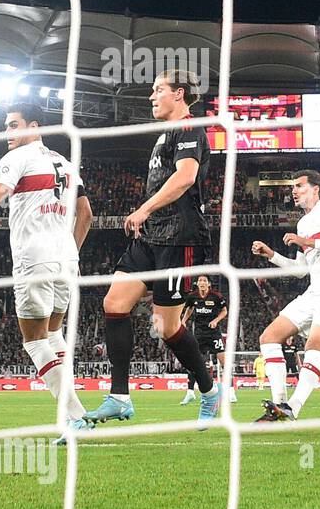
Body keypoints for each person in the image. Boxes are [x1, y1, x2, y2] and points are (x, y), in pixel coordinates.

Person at [84, 71, 220, 428]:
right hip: (152, 236)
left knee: (166, 327)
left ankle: (208, 390)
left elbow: (186, 176)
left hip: (181, 239)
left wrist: (144, 208)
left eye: (158, 90)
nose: (151, 97)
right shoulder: (166, 134)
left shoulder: (191, 128)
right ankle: (119, 397)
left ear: (179, 94)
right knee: (114, 304)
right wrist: (148, 215)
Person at [0, 104, 94, 439]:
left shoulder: (15, 159)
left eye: (13, 125)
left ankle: (75, 415)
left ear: (33, 125)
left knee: (33, 340)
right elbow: (86, 214)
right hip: (66, 260)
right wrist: (70, 251)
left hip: (34, 258)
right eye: (5, 126)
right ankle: (74, 415)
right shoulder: (64, 162)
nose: (8, 133)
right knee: (53, 334)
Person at [251, 169, 320, 421]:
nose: (294, 191)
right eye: (293, 187)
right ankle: (278, 405)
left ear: (315, 189)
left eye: (299, 186)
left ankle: (293, 407)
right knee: (269, 337)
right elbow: (300, 271)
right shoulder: (303, 223)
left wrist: (307, 242)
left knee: (314, 344)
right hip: (315, 290)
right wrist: (271, 255)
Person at [180, 274, 235, 405]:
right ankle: (190, 393)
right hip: (199, 334)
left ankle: (231, 391)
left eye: (204, 280)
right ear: (197, 284)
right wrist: (183, 321)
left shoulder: (216, 296)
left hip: (214, 334)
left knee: (224, 362)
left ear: (209, 284)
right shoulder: (192, 297)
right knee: (193, 361)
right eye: (200, 280)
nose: (202, 282)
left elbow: (224, 311)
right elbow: (189, 309)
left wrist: (216, 320)